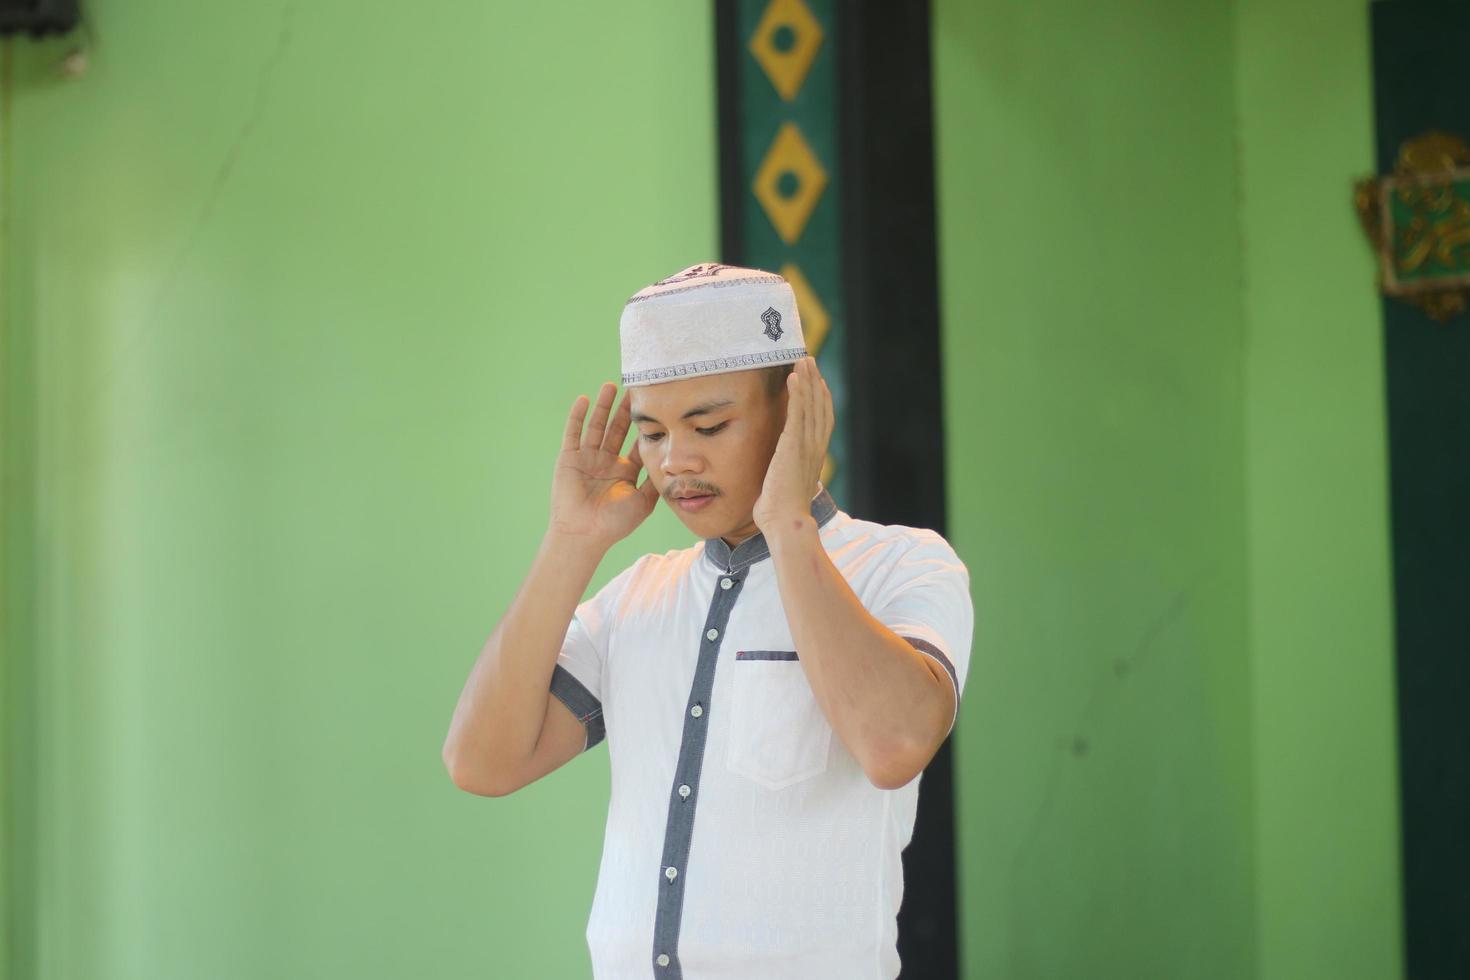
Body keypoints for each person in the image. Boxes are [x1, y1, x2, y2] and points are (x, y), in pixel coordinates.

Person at [442, 263, 974, 979]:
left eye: (709, 425)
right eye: (653, 433)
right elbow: (481, 763)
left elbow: (893, 745)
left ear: (794, 411)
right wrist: (571, 544)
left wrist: (787, 522)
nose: (676, 461)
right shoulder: (638, 599)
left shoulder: (902, 567)